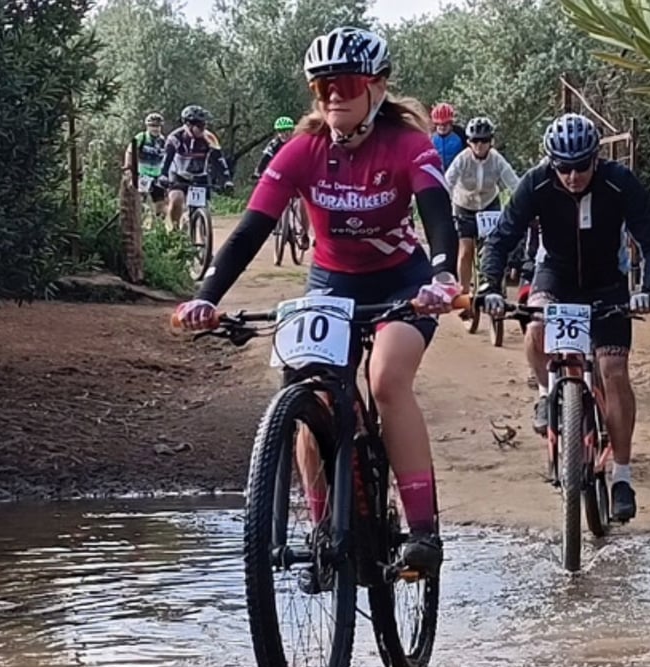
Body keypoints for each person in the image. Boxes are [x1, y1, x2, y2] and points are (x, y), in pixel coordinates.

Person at [174, 26, 461, 578]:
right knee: (310, 393)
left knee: (385, 379)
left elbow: (437, 216)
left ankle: (423, 530)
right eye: (322, 85)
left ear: (376, 89)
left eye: (346, 83)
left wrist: (444, 276)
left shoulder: (408, 145)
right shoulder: (301, 150)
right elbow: (249, 231)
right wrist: (204, 298)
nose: (333, 95)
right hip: (332, 284)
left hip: (403, 283)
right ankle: (326, 529)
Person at [478, 112, 650, 523]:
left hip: (607, 281)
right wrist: (489, 286)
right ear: (551, 162)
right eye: (562, 167)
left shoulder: (620, 182)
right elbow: (502, 237)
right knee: (536, 328)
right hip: (557, 273)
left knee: (613, 368)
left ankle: (621, 474)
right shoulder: (537, 182)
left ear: (596, 160)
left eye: (581, 166)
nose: (571, 176)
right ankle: (548, 393)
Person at [444, 116, 520, 298]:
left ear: (491, 141)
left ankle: (492, 282)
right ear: (469, 142)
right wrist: (443, 207)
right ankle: (463, 293)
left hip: (489, 205)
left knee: (493, 247)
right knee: (465, 251)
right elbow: (447, 183)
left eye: (484, 140)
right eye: (475, 140)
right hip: (464, 206)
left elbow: (514, 183)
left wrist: (523, 204)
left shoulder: (497, 159)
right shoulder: (462, 159)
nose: (480, 145)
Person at [159, 104, 234, 230]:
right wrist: (163, 175)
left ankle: (192, 221)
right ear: (188, 125)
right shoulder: (175, 138)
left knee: (200, 207)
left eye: (205, 125)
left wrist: (226, 180)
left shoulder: (209, 137)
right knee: (177, 199)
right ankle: (174, 231)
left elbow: (219, 160)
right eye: (200, 126)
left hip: (200, 176)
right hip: (178, 175)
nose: (203, 129)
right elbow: (167, 159)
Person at [253, 116, 309, 246]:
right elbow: (265, 159)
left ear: (292, 131)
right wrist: (258, 172)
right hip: (283, 178)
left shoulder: (299, 141)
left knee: (302, 203)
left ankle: (304, 232)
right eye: (280, 131)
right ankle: (278, 225)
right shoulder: (274, 144)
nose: (284, 134)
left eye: (287, 131)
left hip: (299, 176)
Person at [124, 112, 168, 217]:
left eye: (157, 126)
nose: (155, 129)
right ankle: (139, 222)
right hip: (142, 174)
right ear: (147, 126)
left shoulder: (163, 140)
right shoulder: (141, 137)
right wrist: (128, 167)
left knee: (160, 203)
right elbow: (130, 151)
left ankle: (158, 226)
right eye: (152, 126)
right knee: (140, 200)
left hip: (157, 175)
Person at [429, 102, 466, 172]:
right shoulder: (430, 136)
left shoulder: (461, 135)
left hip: (456, 175)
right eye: (439, 124)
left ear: (451, 123)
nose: (442, 127)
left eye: (445, 124)